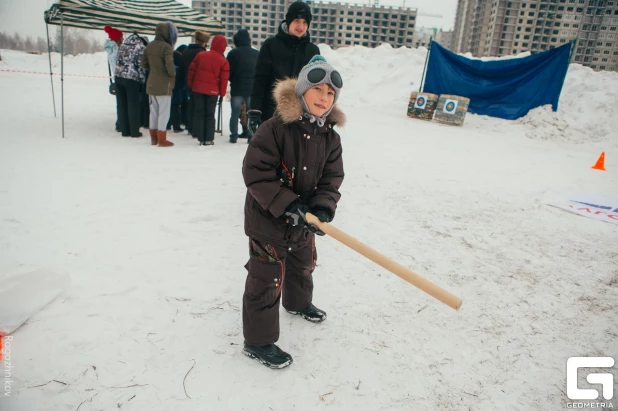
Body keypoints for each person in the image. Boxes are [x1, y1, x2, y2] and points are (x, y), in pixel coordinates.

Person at [241, 55, 345, 369]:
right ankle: (257, 341)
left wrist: (322, 209)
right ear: (302, 91)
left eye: (330, 93)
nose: (324, 98)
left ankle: (298, 304)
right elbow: (255, 172)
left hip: (304, 223)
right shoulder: (275, 129)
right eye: (318, 90)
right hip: (268, 220)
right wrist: (288, 205)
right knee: (266, 279)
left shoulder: (331, 138)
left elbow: (332, 178)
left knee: (303, 266)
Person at [247, 1, 320, 135]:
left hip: (301, 117)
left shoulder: (312, 51)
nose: (301, 26)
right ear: (289, 20)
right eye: (297, 20)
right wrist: (255, 111)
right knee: (268, 153)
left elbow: (315, 86)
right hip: (271, 112)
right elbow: (260, 79)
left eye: (305, 22)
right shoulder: (271, 45)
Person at [187, 35, 229, 146]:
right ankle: (209, 138)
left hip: (198, 89)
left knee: (200, 113)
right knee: (210, 114)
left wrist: (191, 86)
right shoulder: (223, 61)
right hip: (213, 91)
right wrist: (222, 93)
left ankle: (201, 137)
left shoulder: (201, 55)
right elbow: (223, 80)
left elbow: (191, 72)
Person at [142, 21, 177, 147]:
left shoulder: (149, 46)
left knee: (154, 111)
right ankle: (162, 139)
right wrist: (173, 74)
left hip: (151, 83)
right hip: (164, 84)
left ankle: (153, 138)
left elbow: (144, 64)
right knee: (164, 112)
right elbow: (170, 67)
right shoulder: (166, 47)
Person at [226, 29, 258, 143]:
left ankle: (233, 136)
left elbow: (228, 71)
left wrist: (232, 80)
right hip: (251, 88)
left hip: (237, 87)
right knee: (250, 114)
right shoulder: (256, 53)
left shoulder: (233, 53)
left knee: (234, 113)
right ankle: (250, 135)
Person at [115, 32, 147, 138]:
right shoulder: (140, 46)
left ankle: (124, 130)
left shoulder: (123, 45)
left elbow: (117, 60)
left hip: (118, 77)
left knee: (121, 104)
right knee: (133, 105)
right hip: (131, 78)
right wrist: (142, 81)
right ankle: (134, 131)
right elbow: (141, 65)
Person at [181, 31, 209, 137]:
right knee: (198, 108)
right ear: (203, 42)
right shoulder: (202, 53)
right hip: (198, 83)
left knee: (190, 105)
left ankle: (189, 126)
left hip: (186, 82)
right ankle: (196, 129)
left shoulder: (186, 51)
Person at [104, 26, 123, 132]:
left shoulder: (109, 49)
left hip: (116, 78)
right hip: (121, 77)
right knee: (122, 103)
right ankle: (120, 123)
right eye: (121, 37)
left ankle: (119, 123)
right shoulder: (117, 49)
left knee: (119, 103)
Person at [167, 44, 187, 133]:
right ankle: (176, 126)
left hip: (168, 84)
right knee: (176, 105)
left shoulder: (171, 56)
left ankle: (167, 124)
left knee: (168, 105)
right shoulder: (180, 59)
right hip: (177, 85)